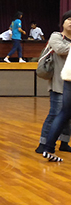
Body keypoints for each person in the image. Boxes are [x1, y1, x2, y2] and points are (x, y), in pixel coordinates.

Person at [40, 11, 71, 162]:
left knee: (67, 115)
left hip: (69, 80)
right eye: (68, 20)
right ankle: (43, 143)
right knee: (56, 113)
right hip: (59, 82)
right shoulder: (56, 36)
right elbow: (60, 49)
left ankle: (64, 142)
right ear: (63, 22)